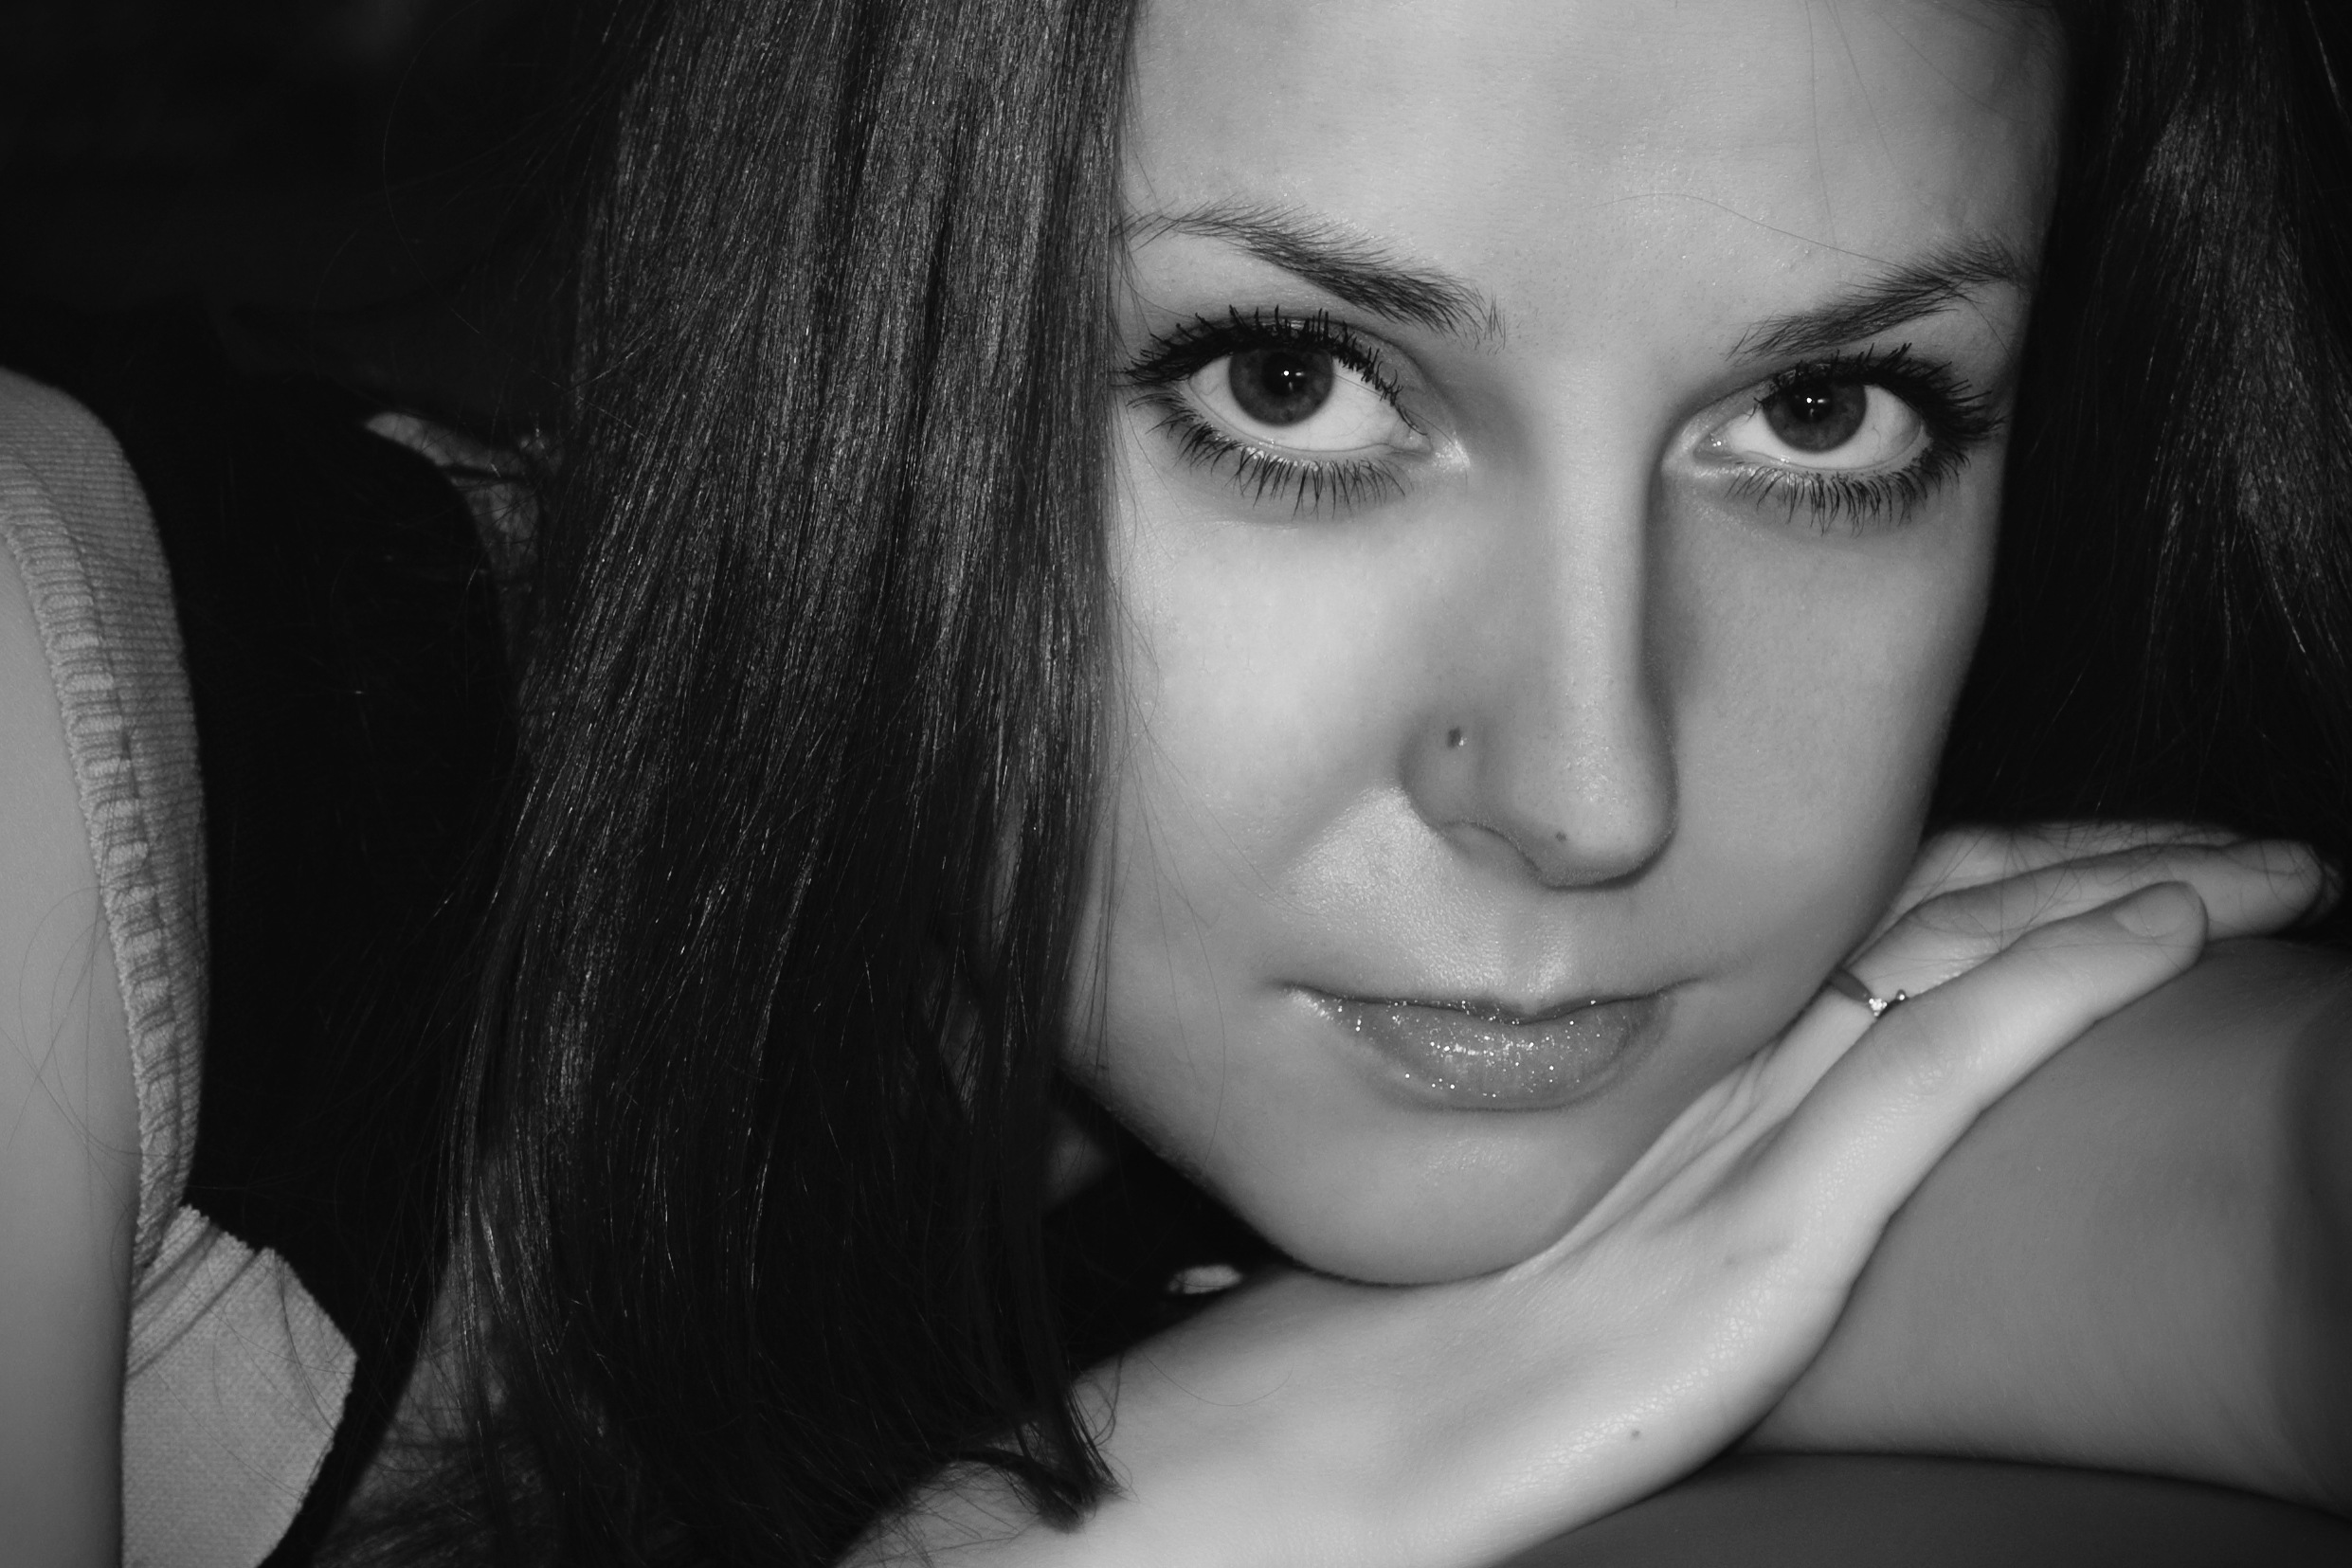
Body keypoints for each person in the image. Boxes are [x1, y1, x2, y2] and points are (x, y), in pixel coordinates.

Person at [1, 0, 2348, 1564]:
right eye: (1291, 383)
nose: (1588, 796)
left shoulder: (1687, 1028)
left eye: (1819, 418)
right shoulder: (77, 704)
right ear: (834, 298)